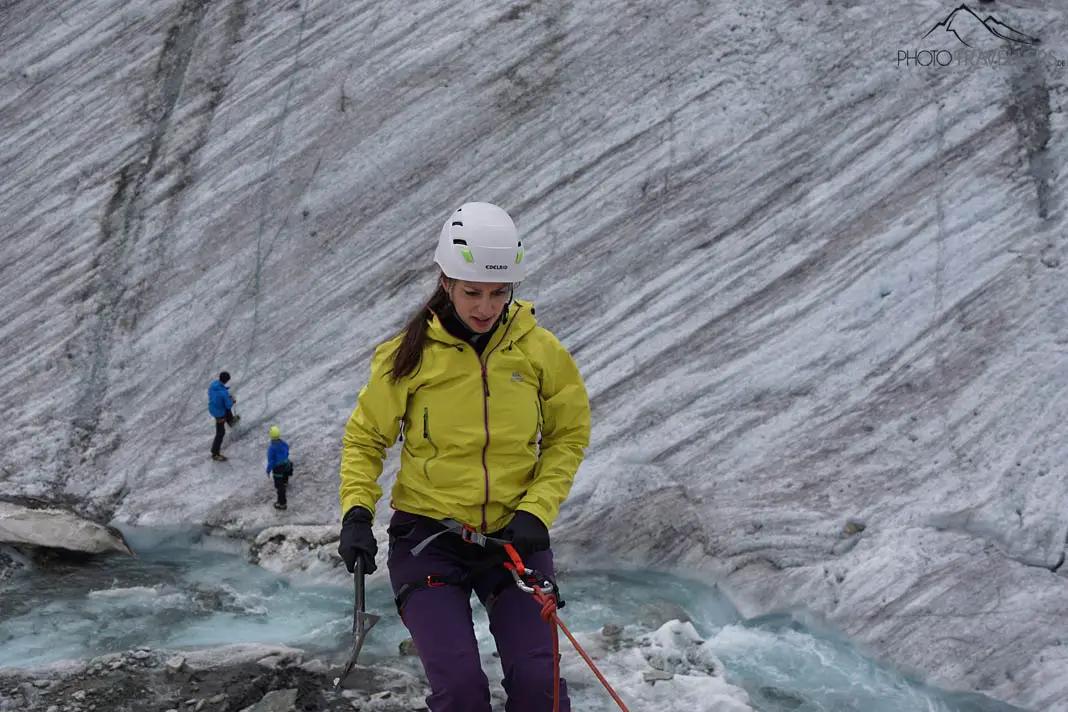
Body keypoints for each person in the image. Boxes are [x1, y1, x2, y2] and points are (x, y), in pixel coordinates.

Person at [337, 202, 590, 712]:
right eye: (472, 292)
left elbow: (568, 435)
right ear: (446, 281)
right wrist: (357, 513)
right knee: (461, 692)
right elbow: (365, 439)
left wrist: (537, 510)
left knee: (541, 689)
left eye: (498, 292)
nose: (485, 306)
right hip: (430, 538)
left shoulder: (539, 351)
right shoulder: (406, 356)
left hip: (513, 540)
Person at [207, 371, 238, 461]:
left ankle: (231, 421)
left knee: (227, 411)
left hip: (213, 407)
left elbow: (213, 393)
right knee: (220, 432)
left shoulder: (214, 384)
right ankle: (215, 453)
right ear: (226, 380)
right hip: (219, 413)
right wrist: (232, 400)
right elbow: (228, 405)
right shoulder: (223, 393)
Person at [266, 425, 293, 510]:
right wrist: (285, 458)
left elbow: (271, 461)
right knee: (285, 474)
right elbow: (287, 449)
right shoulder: (283, 443)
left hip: (277, 468)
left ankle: (282, 504)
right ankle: (285, 482)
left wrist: (268, 470)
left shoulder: (271, 448)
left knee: (279, 487)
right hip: (286, 464)